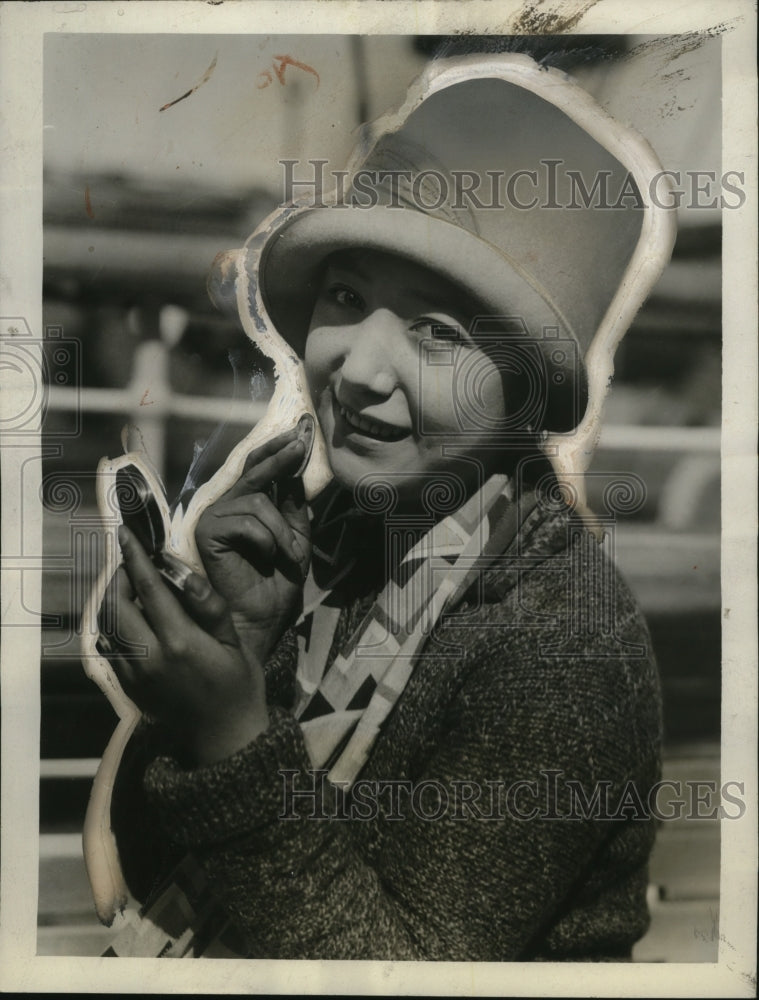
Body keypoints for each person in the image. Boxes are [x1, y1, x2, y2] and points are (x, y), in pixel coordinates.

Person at [98, 53, 675, 961]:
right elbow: (157, 864)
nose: (358, 371)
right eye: (347, 295)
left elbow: (397, 975)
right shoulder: (334, 544)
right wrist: (226, 666)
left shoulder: (557, 644)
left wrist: (232, 731)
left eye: (437, 333)